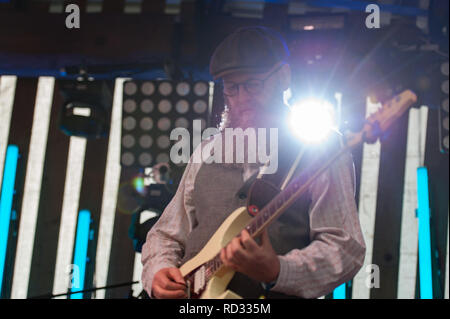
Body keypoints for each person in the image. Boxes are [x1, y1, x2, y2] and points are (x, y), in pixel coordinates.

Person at [141, 26, 366, 299]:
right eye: (232, 89)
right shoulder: (205, 150)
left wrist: (278, 270)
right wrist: (158, 272)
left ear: (283, 76)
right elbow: (166, 235)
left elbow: (345, 248)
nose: (243, 99)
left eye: (253, 85)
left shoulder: (320, 150)